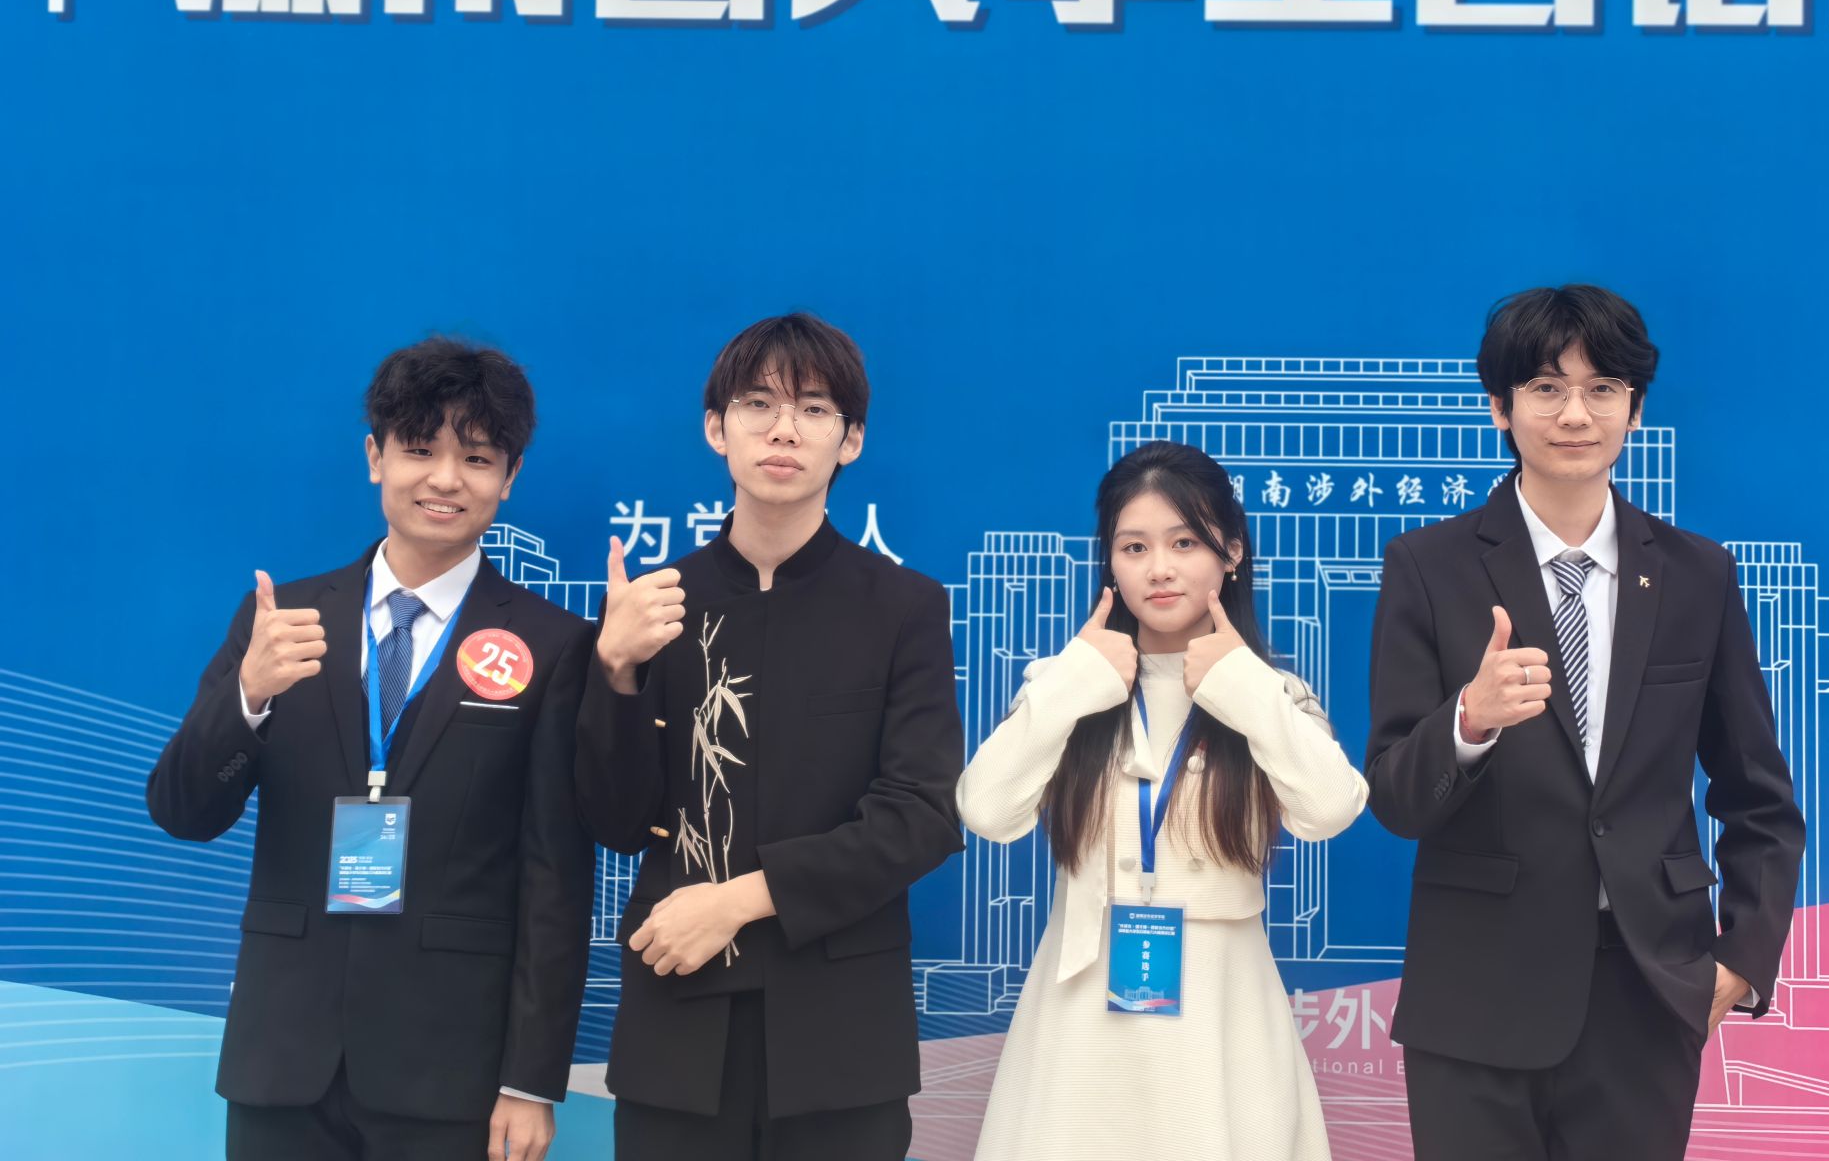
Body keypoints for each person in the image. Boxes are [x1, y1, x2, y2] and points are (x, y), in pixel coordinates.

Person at [1365, 284, 1806, 1161]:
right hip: (1477, 997)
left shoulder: (1697, 575)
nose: (1575, 414)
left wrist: (1741, 962)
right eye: (1546, 388)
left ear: (1634, 409)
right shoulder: (1429, 567)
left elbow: (1758, 795)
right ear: (1501, 407)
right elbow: (1394, 797)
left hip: (1648, 989)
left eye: (1602, 388)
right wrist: (1470, 721)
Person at [146, 337, 594, 1161]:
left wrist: (531, 1080)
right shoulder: (283, 621)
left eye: (477, 458)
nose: (445, 479)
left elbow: (554, 877)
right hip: (284, 1055)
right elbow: (183, 810)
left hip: (450, 1069)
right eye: (419, 450)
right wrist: (249, 695)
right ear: (375, 458)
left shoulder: (553, 644)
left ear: (510, 476)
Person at [576, 311, 963, 1161]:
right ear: (717, 429)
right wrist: (614, 672)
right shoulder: (656, 605)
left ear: (850, 440)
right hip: (676, 1027)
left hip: (840, 1040)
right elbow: (613, 821)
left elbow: (922, 815)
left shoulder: (904, 609)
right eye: (758, 404)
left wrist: (737, 900)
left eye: (814, 409)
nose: (784, 429)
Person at [958, 440, 1368, 1161]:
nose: (1159, 568)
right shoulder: (1066, 684)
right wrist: (1072, 685)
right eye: (1134, 547)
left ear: (1231, 552)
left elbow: (1332, 809)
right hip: (1082, 1009)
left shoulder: (1273, 693)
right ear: (1110, 563)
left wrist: (1241, 684)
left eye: (1185, 542)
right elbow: (986, 813)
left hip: (1221, 1015)